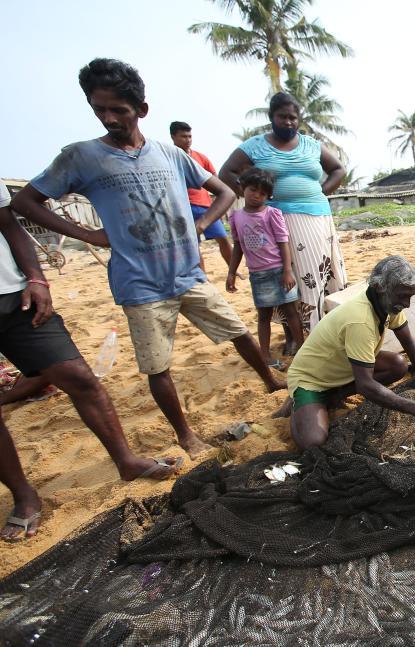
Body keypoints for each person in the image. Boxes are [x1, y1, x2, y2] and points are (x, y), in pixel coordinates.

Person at [11, 58, 285, 458]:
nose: (109, 118)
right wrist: (87, 233)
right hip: (139, 284)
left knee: (238, 331)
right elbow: (25, 201)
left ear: (141, 109)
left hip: (187, 274)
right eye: (99, 110)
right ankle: (185, 434)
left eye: (118, 110)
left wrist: (201, 223)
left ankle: (270, 381)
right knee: (158, 366)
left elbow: (225, 192)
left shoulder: (169, 155)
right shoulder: (81, 157)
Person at [0, 182, 182, 541]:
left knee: (77, 376)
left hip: (13, 294)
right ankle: (24, 496)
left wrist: (36, 277)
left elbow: (8, 224)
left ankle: (126, 461)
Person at [277, 256, 415, 449]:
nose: (406, 304)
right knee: (313, 441)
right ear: (381, 288)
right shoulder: (361, 320)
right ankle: (299, 400)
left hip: (342, 367)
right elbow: (366, 386)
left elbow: (410, 345)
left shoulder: (388, 304)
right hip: (311, 379)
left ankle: (334, 395)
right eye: (402, 296)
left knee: (398, 365)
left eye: (410, 296)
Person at [220, 93, 347, 340]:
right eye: (282, 117)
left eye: (293, 117)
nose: (288, 122)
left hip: (316, 218)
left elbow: (338, 169)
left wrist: (321, 191)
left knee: (316, 275)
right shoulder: (255, 146)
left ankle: (320, 329)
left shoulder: (311, 144)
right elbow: (227, 172)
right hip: (276, 220)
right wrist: (255, 202)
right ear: (271, 118)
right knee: (286, 276)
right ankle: (294, 333)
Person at [226, 167, 304, 368]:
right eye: (253, 190)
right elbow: (237, 246)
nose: (256, 196)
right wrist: (231, 272)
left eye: (262, 193)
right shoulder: (235, 217)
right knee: (263, 315)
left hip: (279, 270)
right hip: (257, 274)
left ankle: (303, 350)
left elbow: (283, 242)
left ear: (268, 196)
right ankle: (265, 355)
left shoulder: (272, 214)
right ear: (243, 188)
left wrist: (287, 270)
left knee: (291, 311)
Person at [169, 121, 233, 271]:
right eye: (183, 136)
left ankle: (233, 270)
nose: (188, 140)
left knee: (222, 237)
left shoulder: (200, 157)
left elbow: (216, 180)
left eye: (190, 136)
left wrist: (218, 200)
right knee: (193, 244)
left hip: (206, 206)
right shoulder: (168, 158)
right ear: (173, 137)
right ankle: (203, 276)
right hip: (183, 207)